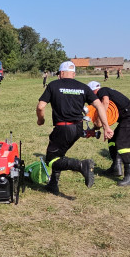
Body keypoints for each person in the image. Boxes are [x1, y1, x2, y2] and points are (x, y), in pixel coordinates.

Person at [35, 61, 111, 194]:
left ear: (61, 73)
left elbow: (41, 106)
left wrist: (40, 120)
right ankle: (53, 184)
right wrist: (106, 127)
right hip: (77, 129)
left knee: (51, 160)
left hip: (63, 128)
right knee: (59, 154)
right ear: (74, 74)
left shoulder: (53, 85)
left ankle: (81, 165)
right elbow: (99, 106)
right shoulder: (83, 87)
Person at [89, 82, 130, 186]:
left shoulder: (102, 91)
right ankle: (116, 167)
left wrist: (101, 123)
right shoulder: (106, 91)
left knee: (122, 142)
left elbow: (105, 103)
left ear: (93, 91)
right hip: (127, 117)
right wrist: (95, 127)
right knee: (113, 139)